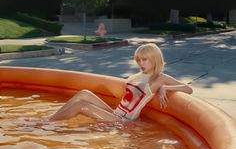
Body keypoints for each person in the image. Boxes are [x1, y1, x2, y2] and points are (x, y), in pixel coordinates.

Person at [49, 43, 193, 123]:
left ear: (154, 59)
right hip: (115, 113)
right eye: (139, 60)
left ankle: (47, 124)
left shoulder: (159, 78)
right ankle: (49, 119)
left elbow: (188, 89)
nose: (141, 63)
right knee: (84, 94)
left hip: (123, 121)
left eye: (145, 60)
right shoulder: (137, 75)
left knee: (82, 105)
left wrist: (165, 88)